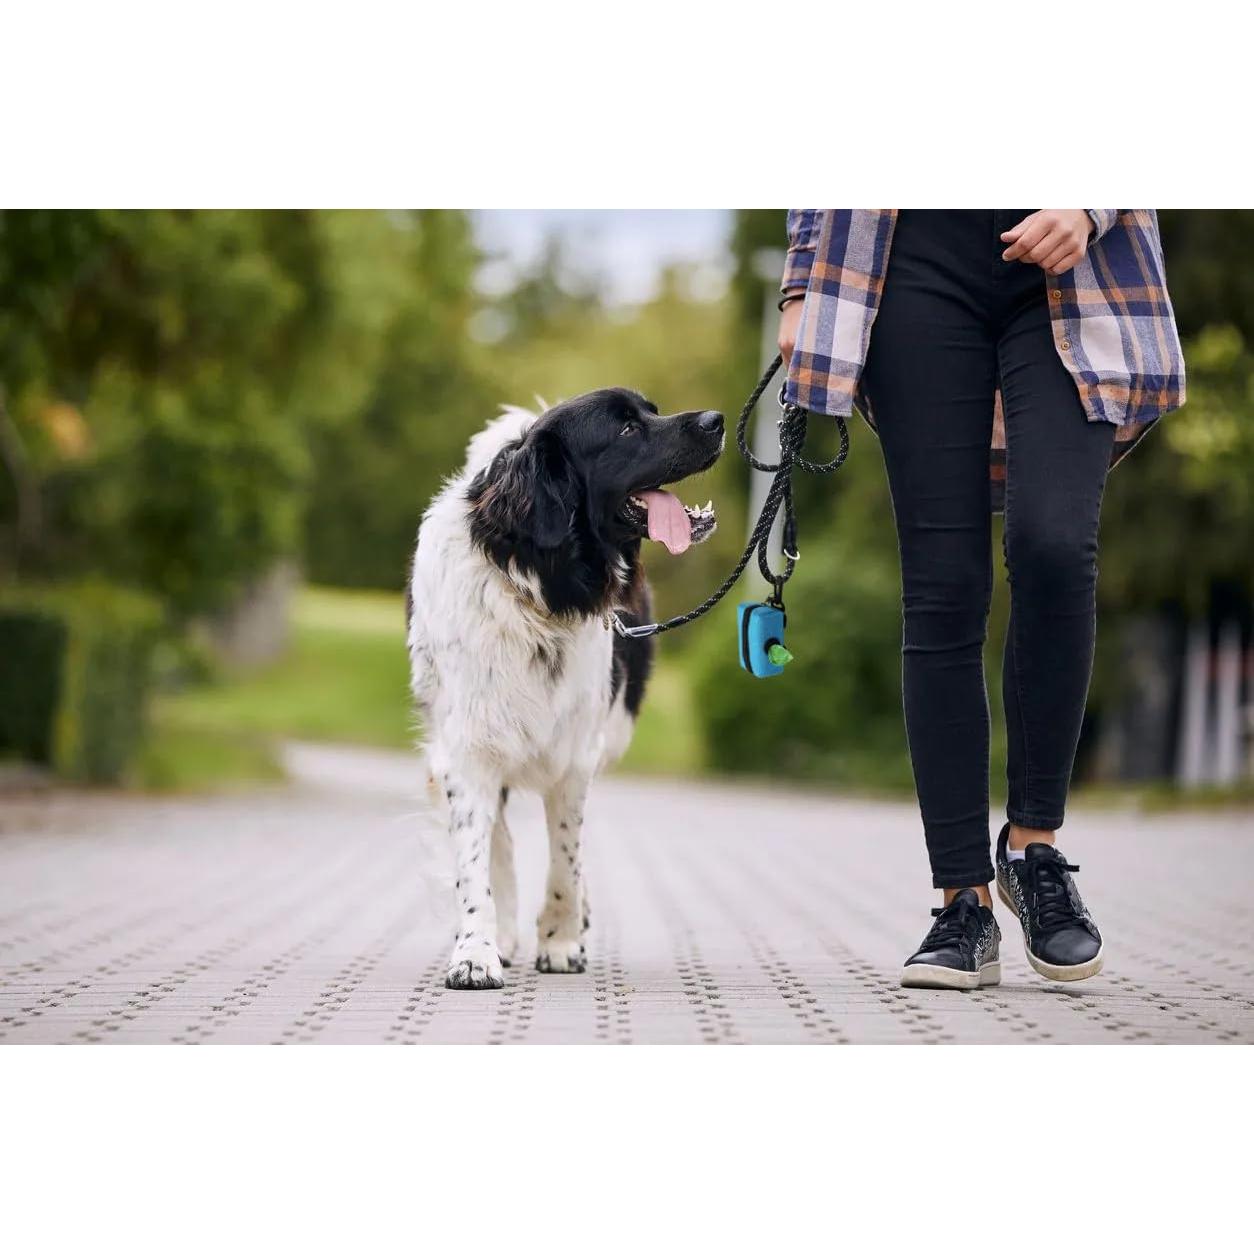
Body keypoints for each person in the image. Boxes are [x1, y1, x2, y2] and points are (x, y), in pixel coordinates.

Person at [778, 211, 1185, 990]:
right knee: (943, 584)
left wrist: (1090, 207)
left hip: (1073, 260)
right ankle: (961, 902)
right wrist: (800, 284)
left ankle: (1034, 852)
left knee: (1055, 546)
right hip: (912, 259)